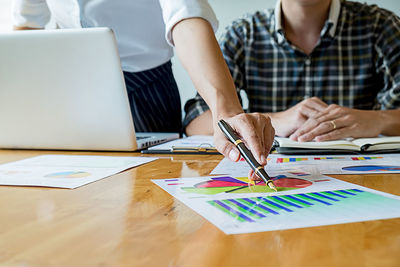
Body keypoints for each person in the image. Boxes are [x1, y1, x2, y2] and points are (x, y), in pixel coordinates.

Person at [13, 0, 275, 165]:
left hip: (146, 87)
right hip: (70, 87)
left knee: (149, 204)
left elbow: (186, 15)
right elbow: (26, 27)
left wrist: (226, 111)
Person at [184, 0, 400, 143]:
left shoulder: (381, 27)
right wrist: (275, 121)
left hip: (364, 174)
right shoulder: (243, 34)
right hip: (274, 176)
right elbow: (195, 123)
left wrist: (378, 120)